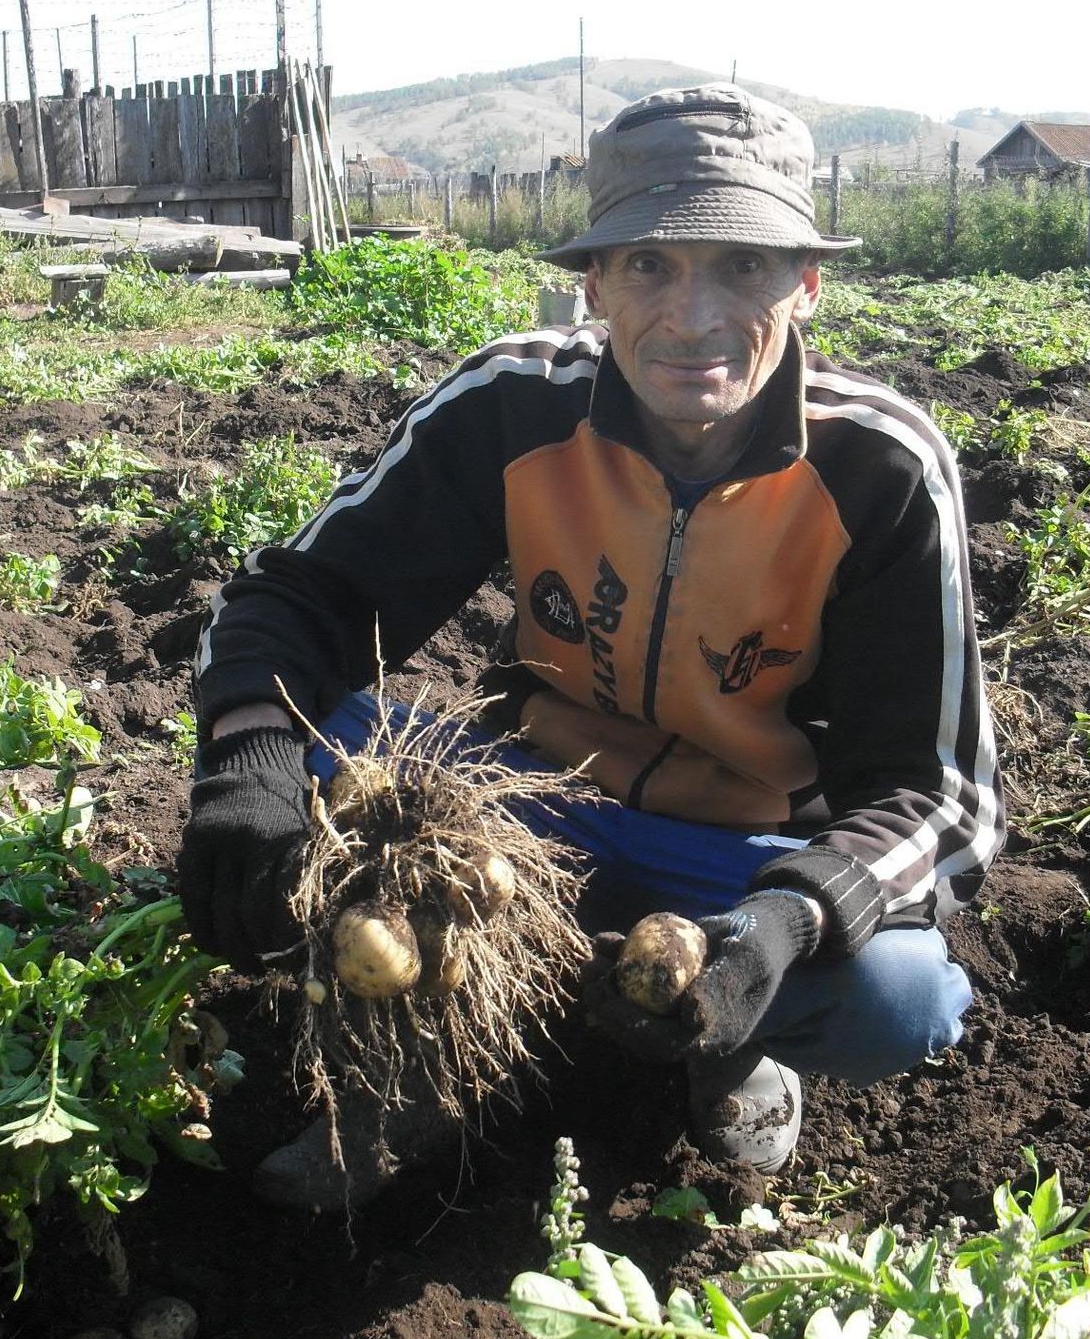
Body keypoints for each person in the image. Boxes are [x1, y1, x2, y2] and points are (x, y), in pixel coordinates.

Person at [178, 83, 1005, 1205]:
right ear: (594, 282)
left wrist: (779, 921)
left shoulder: (880, 470)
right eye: (651, 266)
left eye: (742, 266)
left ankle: (726, 1033)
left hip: (742, 855)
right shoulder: (514, 405)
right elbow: (296, 598)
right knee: (320, 732)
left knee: (900, 996)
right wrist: (247, 762)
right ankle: (433, 1040)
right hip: (530, 806)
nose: (693, 314)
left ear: (806, 284)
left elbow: (937, 796)